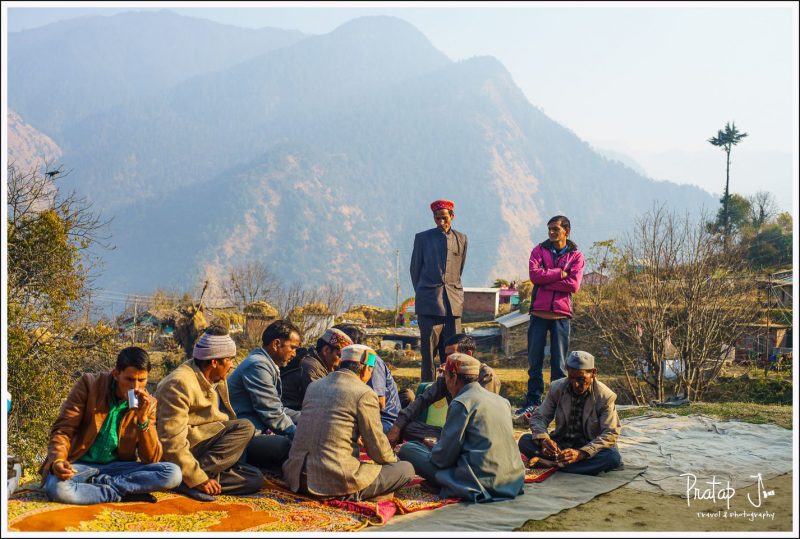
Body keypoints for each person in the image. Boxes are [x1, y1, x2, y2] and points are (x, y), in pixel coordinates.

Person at [41, 347, 182, 505]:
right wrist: (58, 461)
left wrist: (142, 419)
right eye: (129, 379)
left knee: (172, 473)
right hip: (81, 464)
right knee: (57, 488)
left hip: (117, 467)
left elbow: (151, 458)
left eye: (141, 380)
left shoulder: (148, 403)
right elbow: (63, 429)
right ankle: (123, 491)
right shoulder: (89, 385)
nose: (135, 387)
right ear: (116, 374)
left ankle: (103, 486)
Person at [283, 344, 415, 501]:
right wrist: (394, 462)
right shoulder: (364, 393)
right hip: (331, 482)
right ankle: (354, 493)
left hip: (296, 478)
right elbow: (378, 451)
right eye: (371, 370)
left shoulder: (314, 386)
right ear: (366, 369)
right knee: (406, 469)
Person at [397, 353, 524, 503]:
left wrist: (435, 448)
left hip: (479, 484)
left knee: (408, 450)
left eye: (445, 377)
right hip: (513, 481)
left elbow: (442, 459)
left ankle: (448, 485)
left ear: (454, 378)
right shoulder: (503, 401)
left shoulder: (461, 403)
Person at [156, 327, 264, 501]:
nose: (231, 365)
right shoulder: (179, 383)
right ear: (214, 362)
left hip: (204, 445)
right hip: (181, 451)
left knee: (254, 479)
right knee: (245, 427)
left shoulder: (213, 378)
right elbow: (171, 442)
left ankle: (190, 480)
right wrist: (198, 477)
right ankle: (190, 479)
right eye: (229, 360)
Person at [517, 215, 585, 417]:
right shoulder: (539, 250)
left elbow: (573, 285)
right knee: (534, 361)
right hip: (538, 312)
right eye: (549, 229)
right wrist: (560, 273)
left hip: (561, 315)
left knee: (559, 365)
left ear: (567, 231)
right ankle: (533, 402)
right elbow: (534, 276)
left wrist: (547, 277)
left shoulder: (576, 256)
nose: (552, 233)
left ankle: (558, 406)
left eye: (555, 229)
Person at [518, 351, 622, 475]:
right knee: (525, 440)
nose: (575, 384)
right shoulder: (556, 387)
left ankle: (554, 465)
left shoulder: (606, 396)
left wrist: (581, 453)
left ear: (593, 373)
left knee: (612, 457)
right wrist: (544, 440)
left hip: (588, 449)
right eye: (571, 378)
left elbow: (610, 433)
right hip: (561, 446)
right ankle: (569, 466)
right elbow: (539, 417)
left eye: (581, 379)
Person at [387, 333, 500, 445]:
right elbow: (423, 400)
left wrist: (453, 388)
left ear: (468, 354)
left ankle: (441, 446)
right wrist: (397, 427)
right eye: (446, 356)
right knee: (406, 427)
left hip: (475, 436)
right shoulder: (450, 373)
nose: (447, 360)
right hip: (450, 432)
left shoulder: (487, 376)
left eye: (452, 355)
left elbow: (478, 416)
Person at [410, 199, 468, 382]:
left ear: (452, 216)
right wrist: (424, 292)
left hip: (453, 304)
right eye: (437, 218)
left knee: (454, 353)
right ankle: (427, 390)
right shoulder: (423, 238)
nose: (441, 222)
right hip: (429, 304)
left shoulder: (462, 238)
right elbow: (415, 270)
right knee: (428, 353)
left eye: (444, 218)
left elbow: (459, 270)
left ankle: (452, 389)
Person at [228, 320, 302, 441]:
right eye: (292, 348)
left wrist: (309, 418)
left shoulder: (265, 363)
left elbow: (278, 409)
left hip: (255, 428)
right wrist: (301, 435)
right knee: (288, 446)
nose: (294, 354)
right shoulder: (258, 365)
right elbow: (272, 414)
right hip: (241, 436)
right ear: (276, 344)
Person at [280, 327, 353, 411]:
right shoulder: (311, 368)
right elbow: (324, 404)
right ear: (326, 350)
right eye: (339, 355)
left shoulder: (315, 363)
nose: (340, 361)